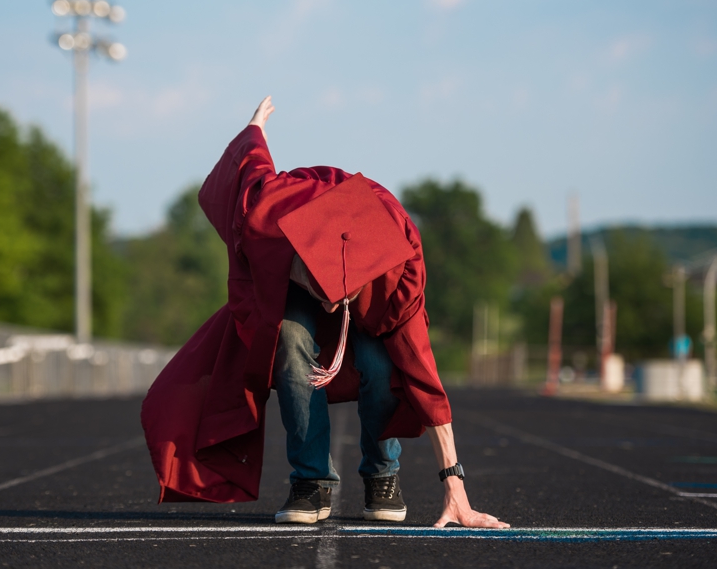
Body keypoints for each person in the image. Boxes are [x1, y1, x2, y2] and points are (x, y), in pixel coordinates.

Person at [142, 96, 509, 529]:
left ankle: (382, 474)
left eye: (334, 295)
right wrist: (254, 129)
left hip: (371, 281)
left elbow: (425, 379)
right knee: (290, 338)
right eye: (320, 289)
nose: (328, 303)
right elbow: (250, 170)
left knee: (379, 361)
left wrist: (455, 486)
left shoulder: (397, 272)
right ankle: (311, 480)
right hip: (292, 252)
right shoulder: (266, 220)